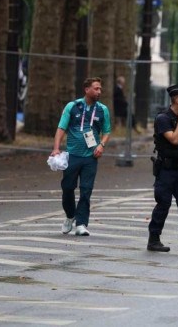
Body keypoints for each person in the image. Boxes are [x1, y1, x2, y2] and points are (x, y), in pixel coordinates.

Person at [51, 77, 111, 236]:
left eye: (100, 89)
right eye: (96, 88)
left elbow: (107, 131)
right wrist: (56, 148)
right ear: (87, 89)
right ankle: (70, 215)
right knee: (68, 188)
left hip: (91, 157)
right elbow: (61, 127)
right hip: (73, 155)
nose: (99, 92)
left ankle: (82, 223)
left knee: (86, 190)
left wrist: (101, 145)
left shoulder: (102, 109)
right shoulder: (73, 106)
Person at [147, 84, 178, 253]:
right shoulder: (163, 118)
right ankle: (154, 239)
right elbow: (174, 140)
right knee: (163, 203)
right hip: (166, 168)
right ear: (177, 100)